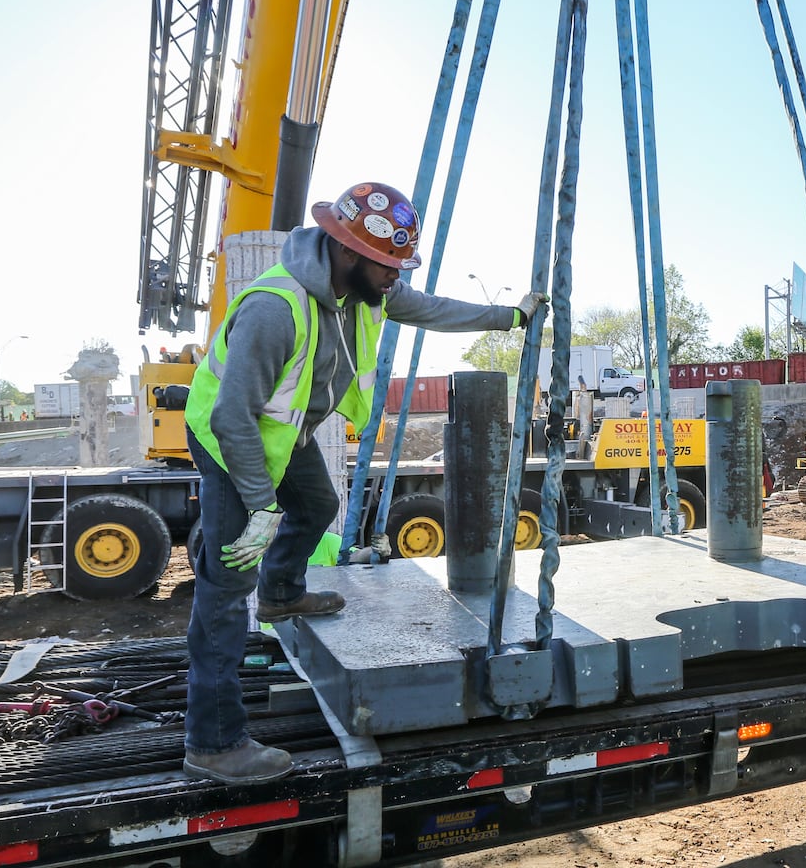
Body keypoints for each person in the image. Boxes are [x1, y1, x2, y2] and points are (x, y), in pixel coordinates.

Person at [181, 181, 547, 784]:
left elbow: (429, 307)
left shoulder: (360, 290)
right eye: (388, 266)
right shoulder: (275, 309)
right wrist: (258, 505)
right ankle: (213, 743)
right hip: (230, 444)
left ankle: (281, 592)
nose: (395, 279)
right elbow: (230, 417)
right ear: (347, 251)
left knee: (319, 503)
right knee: (224, 591)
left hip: (280, 432)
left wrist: (508, 316)